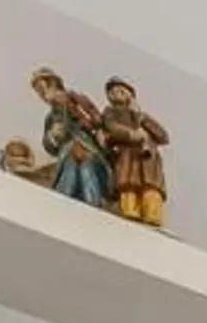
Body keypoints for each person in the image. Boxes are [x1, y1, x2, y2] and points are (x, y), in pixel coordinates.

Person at [30, 68, 112, 211]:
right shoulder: (52, 118)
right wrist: (53, 136)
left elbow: (97, 121)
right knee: (68, 175)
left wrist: (98, 130)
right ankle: (61, 207)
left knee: (88, 172)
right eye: (39, 92)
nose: (42, 94)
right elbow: (49, 146)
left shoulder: (78, 101)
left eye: (43, 88)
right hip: (67, 155)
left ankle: (93, 207)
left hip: (90, 151)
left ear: (54, 84)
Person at [98, 79, 171, 227]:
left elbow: (163, 136)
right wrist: (131, 134)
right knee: (128, 186)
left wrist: (142, 118)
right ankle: (131, 212)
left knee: (151, 189)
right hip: (127, 156)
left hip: (148, 159)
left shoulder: (141, 115)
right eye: (112, 92)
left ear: (130, 95)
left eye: (121, 91)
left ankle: (152, 214)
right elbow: (112, 128)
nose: (117, 94)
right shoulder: (110, 112)